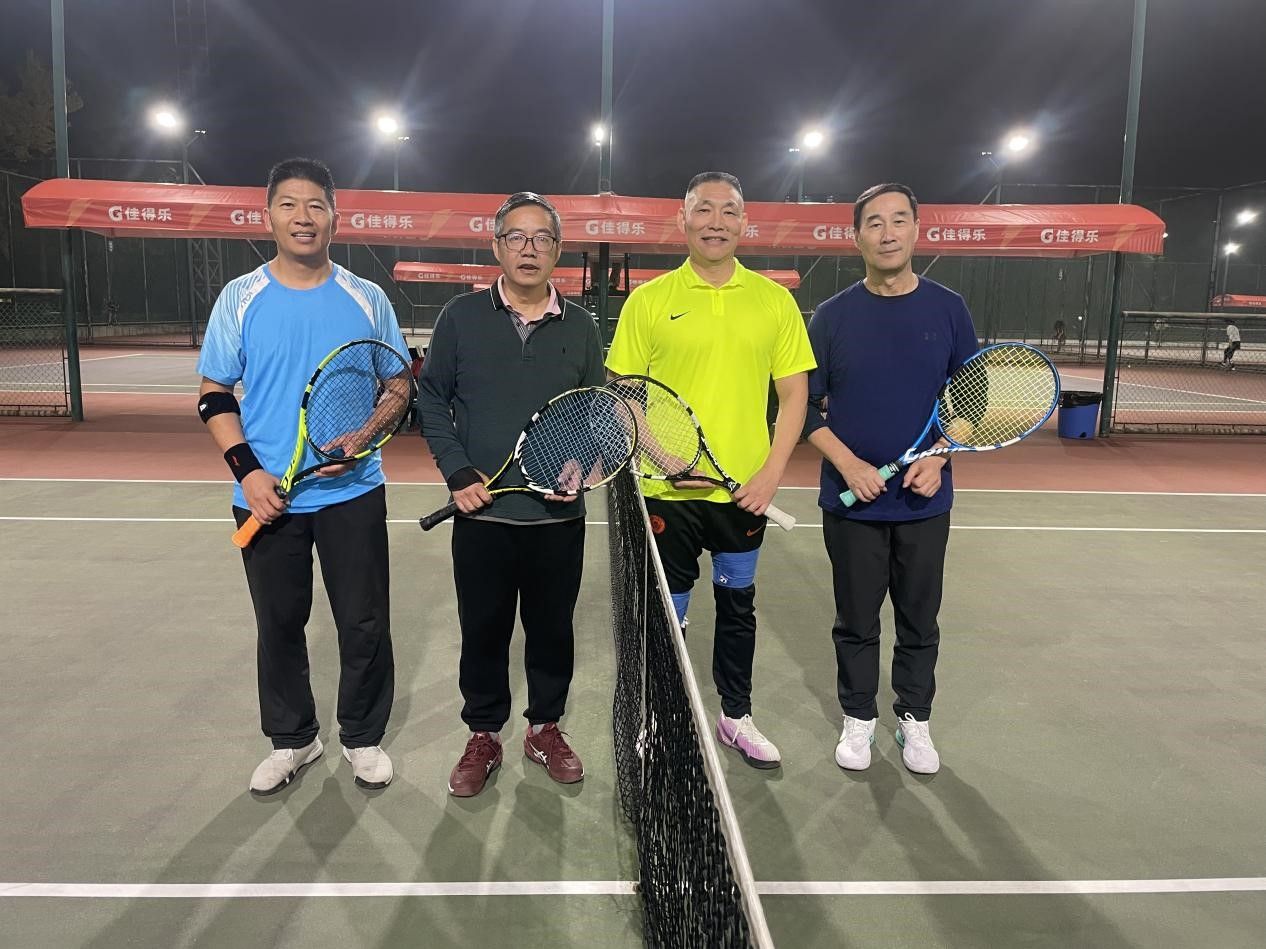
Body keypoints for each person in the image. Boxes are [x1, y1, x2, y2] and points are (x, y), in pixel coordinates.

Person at [197, 158, 408, 795]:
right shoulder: (240, 297)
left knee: (363, 623)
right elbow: (213, 396)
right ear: (269, 217)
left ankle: (362, 737)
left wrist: (363, 437)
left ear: (334, 218)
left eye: (316, 205)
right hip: (266, 498)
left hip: (353, 492)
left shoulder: (367, 297)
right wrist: (248, 473)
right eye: (289, 204)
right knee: (280, 624)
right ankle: (294, 739)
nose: (303, 217)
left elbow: (398, 386)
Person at [605, 172, 815, 770]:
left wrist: (770, 475)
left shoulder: (774, 301)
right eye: (703, 210)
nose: (716, 222)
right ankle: (656, 718)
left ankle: (735, 716)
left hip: (744, 496)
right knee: (667, 618)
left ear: (744, 222)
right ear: (683, 220)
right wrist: (667, 458)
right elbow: (623, 394)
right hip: (665, 493)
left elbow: (794, 396)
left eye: (728, 211)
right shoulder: (649, 300)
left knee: (738, 607)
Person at [418, 192, 605, 798]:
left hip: (557, 520)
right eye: (517, 237)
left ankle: (545, 728)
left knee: (553, 631)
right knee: (483, 630)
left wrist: (579, 464)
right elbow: (431, 399)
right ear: (496, 247)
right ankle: (483, 735)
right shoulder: (460, 317)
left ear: (558, 250)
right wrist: (458, 473)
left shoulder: (582, 326)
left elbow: (592, 412)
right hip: (482, 518)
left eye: (542, 238)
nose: (529, 248)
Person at [803, 183, 979, 776]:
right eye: (874, 223)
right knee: (855, 620)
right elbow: (804, 409)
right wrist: (849, 464)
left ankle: (914, 718)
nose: (887, 233)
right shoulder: (831, 316)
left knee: (919, 620)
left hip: (924, 504)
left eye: (899, 220)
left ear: (916, 231)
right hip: (851, 505)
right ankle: (859, 717)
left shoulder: (949, 309)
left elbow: (971, 401)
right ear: (857, 237)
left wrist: (941, 455)